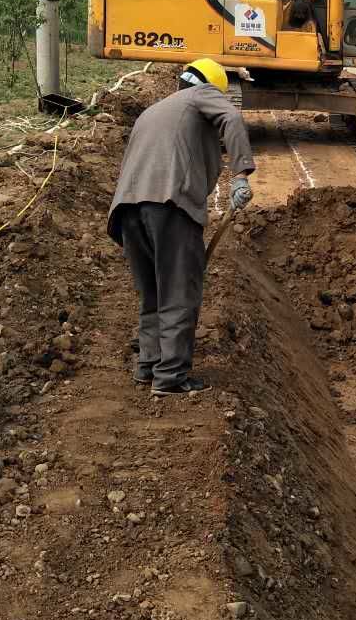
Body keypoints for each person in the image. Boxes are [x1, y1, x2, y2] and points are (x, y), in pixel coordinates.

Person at [108, 58, 255, 397]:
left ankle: (148, 365)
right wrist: (240, 176)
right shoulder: (202, 95)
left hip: (128, 209)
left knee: (153, 295)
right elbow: (231, 117)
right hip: (169, 205)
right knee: (178, 293)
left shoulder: (155, 110)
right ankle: (171, 376)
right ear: (209, 86)